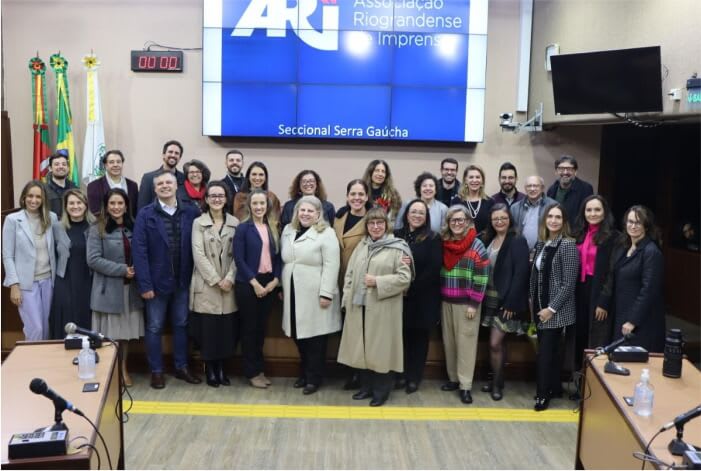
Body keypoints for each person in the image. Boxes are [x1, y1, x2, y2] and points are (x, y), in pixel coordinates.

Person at [337, 207, 413, 407]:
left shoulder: (399, 247)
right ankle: (366, 387)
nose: (376, 226)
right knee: (362, 348)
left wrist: (378, 281)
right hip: (359, 306)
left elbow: (405, 278)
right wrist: (346, 299)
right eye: (371, 223)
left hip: (383, 308)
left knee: (380, 350)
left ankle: (381, 391)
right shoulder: (362, 246)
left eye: (380, 223)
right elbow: (350, 275)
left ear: (386, 225)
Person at [133, 170, 201, 389]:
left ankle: (181, 367)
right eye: (160, 183)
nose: (164, 186)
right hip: (155, 284)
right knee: (154, 327)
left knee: (182, 324)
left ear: (176, 186)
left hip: (183, 281)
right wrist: (144, 284)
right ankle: (157, 370)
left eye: (168, 182)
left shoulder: (191, 212)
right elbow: (139, 251)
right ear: (154, 189)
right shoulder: (145, 214)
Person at [281, 196, 341, 395]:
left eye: (310, 211)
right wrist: (282, 286)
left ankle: (313, 378)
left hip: (316, 294)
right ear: (297, 211)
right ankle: (305, 373)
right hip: (293, 292)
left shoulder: (327, 233)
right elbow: (284, 261)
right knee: (299, 336)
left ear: (318, 214)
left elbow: (332, 265)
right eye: (302, 210)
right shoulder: (288, 230)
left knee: (315, 339)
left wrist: (326, 293)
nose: (305, 214)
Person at [87, 188, 145, 387]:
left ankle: (122, 369)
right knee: (110, 336)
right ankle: (108, 373)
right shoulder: (97, 228)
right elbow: (93, 260)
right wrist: (122, 269)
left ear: (126, 205)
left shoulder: (135, 225)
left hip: (130, 291)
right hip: (108, 291)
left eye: (120, 203)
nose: (116, 207)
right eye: (112, 203)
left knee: (125, 334)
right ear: (106, 206)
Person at [529, 203, 579, 411]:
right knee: (548, 351)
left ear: (564, 221)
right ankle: (554, 388)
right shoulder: (542, 244)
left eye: (558, 217)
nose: (553, 220)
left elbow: (569, 284)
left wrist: (551, 309)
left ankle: (542, 396)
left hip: (555, 312)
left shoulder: (567, 245)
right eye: (550, 216)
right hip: (540, 308)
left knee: (546, 354)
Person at [190, 181, 239, 388]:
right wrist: (216, 279)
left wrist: (229, 278)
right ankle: (210, 369)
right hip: (207, 284)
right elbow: (198, 254)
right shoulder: (198, 223)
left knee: (226, 330)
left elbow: (239, 255)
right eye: (213, 196)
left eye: (221, 196)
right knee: (208, 331)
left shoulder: (236, 223)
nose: (217, 199)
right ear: (207, 199)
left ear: (226, 199)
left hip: (229, 285)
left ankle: (222, 369)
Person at [479, 204, 530, 401]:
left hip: (506, 299)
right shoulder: (488, 239)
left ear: (510, 219)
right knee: (496, 344)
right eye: (496, 218)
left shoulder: (517, 240)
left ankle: (498, 384)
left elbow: (521, 274)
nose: (499, 222)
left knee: (495, 343)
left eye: (503, 218)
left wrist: (511, 303)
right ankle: (494, 380)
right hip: (488, 297)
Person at [439, 205, 489, 405]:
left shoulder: (476, 246)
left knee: (466, 345)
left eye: (461, 220)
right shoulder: (445, 243)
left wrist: (474, 304)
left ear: (468, 222)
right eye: (453, 221)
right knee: (449, 343)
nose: (457, 224)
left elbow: (482, 277)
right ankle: (453, 379)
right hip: (446, 302)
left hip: (467, 305)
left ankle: (465, 385)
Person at [233, 189, 282, 389]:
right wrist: (255, 284)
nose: (259, 207)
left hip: (268, 284)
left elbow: (278, 257)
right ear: (249, 206)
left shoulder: (273, 227)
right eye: (255, 204)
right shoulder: (243, 228)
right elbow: (239, 258)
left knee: (261, 330)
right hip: (248, 284)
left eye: (262, 203)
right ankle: (251, 371)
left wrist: (275, 281)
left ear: (267, 206)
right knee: (250, 330)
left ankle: (259, 369)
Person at [393, 199, 442, 394]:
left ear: (426, 217)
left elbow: (434, 268)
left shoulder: (433, 238)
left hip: (422, 298)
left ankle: (414, 377)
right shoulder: (396, 235)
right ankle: (399, 375)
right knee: (400, 338)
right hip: (398, 297)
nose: (417, 215)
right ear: (406, 214)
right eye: (413, 212)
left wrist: (410, 285)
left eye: (421, 213)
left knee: (419, 340)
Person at [2, 181, 59, 340]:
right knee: (36, 328)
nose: (34, 200)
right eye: (30, 196)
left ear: (43, 199)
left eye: (38, 197)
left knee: (47, 326)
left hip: (48, 281)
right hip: (26, 284)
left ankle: (44, 363)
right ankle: (32, 364)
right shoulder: (13, 220)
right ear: (24, 197)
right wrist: (14, 284)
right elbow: (7, 255)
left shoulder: (51, 218)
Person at [571, 195, 619, 373]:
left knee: (596, 338)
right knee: (579, 335)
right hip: (578, 290)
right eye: (589, 210)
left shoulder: (614, 238)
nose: (593, 213)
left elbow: (613, 273)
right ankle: (577, 381)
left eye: (597, 209)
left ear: (605, 212)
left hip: (598, 291)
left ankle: (592, 380)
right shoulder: (578, 234)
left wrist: (603, 301)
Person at [609, 205, 665, 352]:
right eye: (630, 221)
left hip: (640, 322)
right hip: (622, 313)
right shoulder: (624, 247)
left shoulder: (651, 252)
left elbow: (649, 290)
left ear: (646, 226)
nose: (633, 226)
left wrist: (633, 321)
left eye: (638, 223)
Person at [333, 179, 371, 390]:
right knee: (344, 330)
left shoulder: (371, 220)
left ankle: (359, 374)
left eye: (360, 194)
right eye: (352, 194)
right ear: (347, 196)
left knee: (359, 331)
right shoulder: (339, 217)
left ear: (366, 197)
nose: (356, 198)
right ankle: (349, 371)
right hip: (337, 281)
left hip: (359, 284)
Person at [49, 189, 95, 339]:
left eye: (79, 202)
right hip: (65, 279)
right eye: (71, 203)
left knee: (85, 317)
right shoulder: (56, 227)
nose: (75, 206)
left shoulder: (95, 226)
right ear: (66, 206)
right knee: (66, 319)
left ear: (85, 205)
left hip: (88, 281)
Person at [510, 176, 557, 252]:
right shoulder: (514, 208)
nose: (532, 189)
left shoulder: (553, 206)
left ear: (542, 188)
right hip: (520, 252)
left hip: (544, 252)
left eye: (535, 186)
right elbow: (511, 232)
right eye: (529, 186)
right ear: (525, 188)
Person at [86, 149, 139, 218]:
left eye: (118, 162)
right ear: (105, 165)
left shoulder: (133, 185)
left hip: (129, 227)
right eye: (111, 162)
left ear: (122, 164)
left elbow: (135, 211)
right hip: (104, 227)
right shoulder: (93, 186)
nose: (115, 165)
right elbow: (95, 213)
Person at [137, 140, 186, 210]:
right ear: (163, 155)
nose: (173, 155)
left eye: (176, 153)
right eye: (170, 152)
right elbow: (142, 207)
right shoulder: (148, 178)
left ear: (180, 158)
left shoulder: (184, 178)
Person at [546, 155, 594, 221]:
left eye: (569, 169)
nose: (565, 172)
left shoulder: (585, 189)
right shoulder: (551, 190)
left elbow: (587, 215)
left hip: (576, 231)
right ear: (556, 171)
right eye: (561, 169)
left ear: (575, 172)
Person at [450, 164, 494, 234]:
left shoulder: (490, 202)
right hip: (461, 243)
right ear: (465, 180)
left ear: (482, 180)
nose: (474, 180)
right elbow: (451, 225)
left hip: (485, 243)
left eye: (477, 177)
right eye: (471, 177)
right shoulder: (456, 201)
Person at [45, 152, 78, 218]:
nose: (61, 167)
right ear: (50, 168)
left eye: (64, 164)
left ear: (68, 168)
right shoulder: (43, 190)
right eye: (57, 164)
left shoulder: (76, 190)